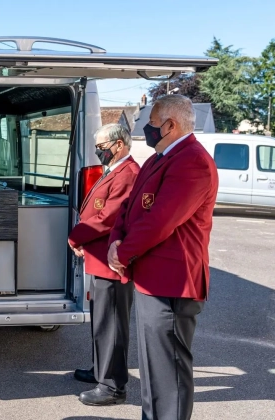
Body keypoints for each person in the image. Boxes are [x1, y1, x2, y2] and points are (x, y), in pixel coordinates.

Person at [107, 95, 218, 420]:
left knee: (169, 373)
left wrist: (123, 253)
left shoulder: (192, 161)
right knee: (155, 370)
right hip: (151, 281)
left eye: (152, 122)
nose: (146, 128)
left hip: (173, 285)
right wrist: (116, 240)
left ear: (171, 125)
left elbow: (160, 220)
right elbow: (129, 207)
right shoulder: (157, 159)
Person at [68, 123, 139, 406]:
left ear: (118, 144)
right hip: (100, 261)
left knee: (112, 325)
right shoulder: (116, 170)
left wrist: (76, 236)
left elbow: (107, 218)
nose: (99, 152)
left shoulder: (128, 173)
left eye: (102, 147)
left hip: (112, 264)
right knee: (101, 322)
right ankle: (100, 371)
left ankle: (113, 386)